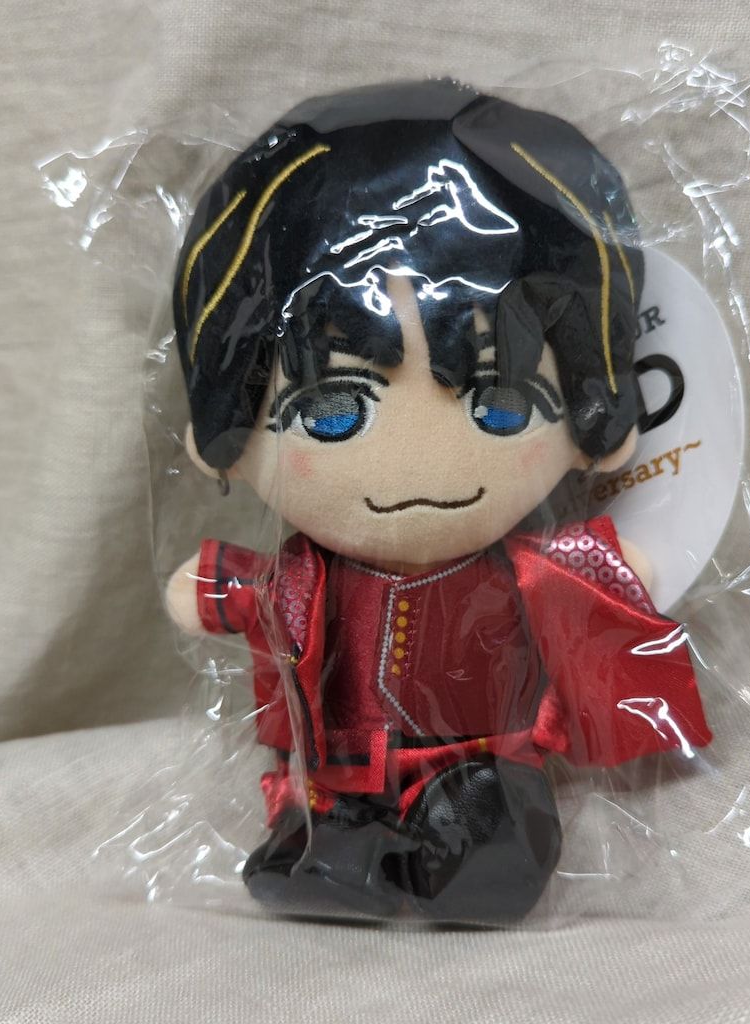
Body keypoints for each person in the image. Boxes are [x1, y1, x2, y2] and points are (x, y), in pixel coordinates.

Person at [164, 79, 712, 923]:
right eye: (332, 412)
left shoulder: (516, 568)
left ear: (593, 417)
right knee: (331, 832)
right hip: (343, 765)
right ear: (223, 433)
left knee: (487, 830)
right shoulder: (309, 582)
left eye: (503, 407)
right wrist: (214, 588)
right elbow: (252, 594)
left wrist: (617, 568)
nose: (414, 467)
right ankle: (336, 850)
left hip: (483, 754)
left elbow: (579, 580)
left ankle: (476, 852)